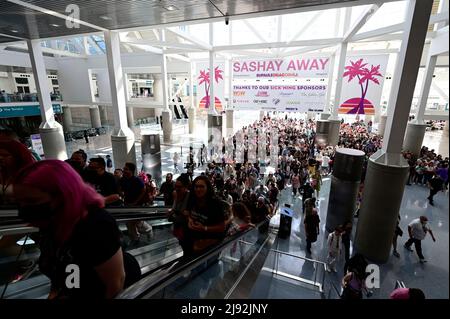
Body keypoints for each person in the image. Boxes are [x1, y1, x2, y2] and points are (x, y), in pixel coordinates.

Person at [14, 160, 126, 299]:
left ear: (62, 195)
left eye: (32, 201)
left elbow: (115, 284)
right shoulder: (52, 221)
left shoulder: (96, 225)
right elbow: (64, 271)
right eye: (20, 202)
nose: (24, 209)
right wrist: (56, 293)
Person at [185, 176, 230, 256]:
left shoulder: (215, 204)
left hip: (210, 243)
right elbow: (187, 213)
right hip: (194, 238)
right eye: (196, 187)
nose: (198, 189)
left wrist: (204, 228)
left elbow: (222, 227)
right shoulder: (192, 199)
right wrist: (189, 220)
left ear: (207, 188)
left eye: (201, 186)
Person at [119, 162, 152, 243]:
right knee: (129, 222)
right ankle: (135, 238)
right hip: (127, 204)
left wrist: (136, 202)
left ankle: (149, 230)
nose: (124, 170)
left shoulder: (137, 180)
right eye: (124, 169)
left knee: (138, 221)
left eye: (126, 169)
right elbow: (120, 188)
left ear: (131, 171)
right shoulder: (123, 179)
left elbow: (143, 190)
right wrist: (122, 196)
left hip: (137, 205)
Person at [167, 174, 191, 256]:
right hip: (178, 224)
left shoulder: (190, 197)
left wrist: (188, 214)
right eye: (176, 186)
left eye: (179, 187)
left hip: (187, 229)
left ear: (186, 187)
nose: (177, 189)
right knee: (182, 243)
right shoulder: (175, 193)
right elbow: (175, 207)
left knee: (187, 246)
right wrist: (171, 211)